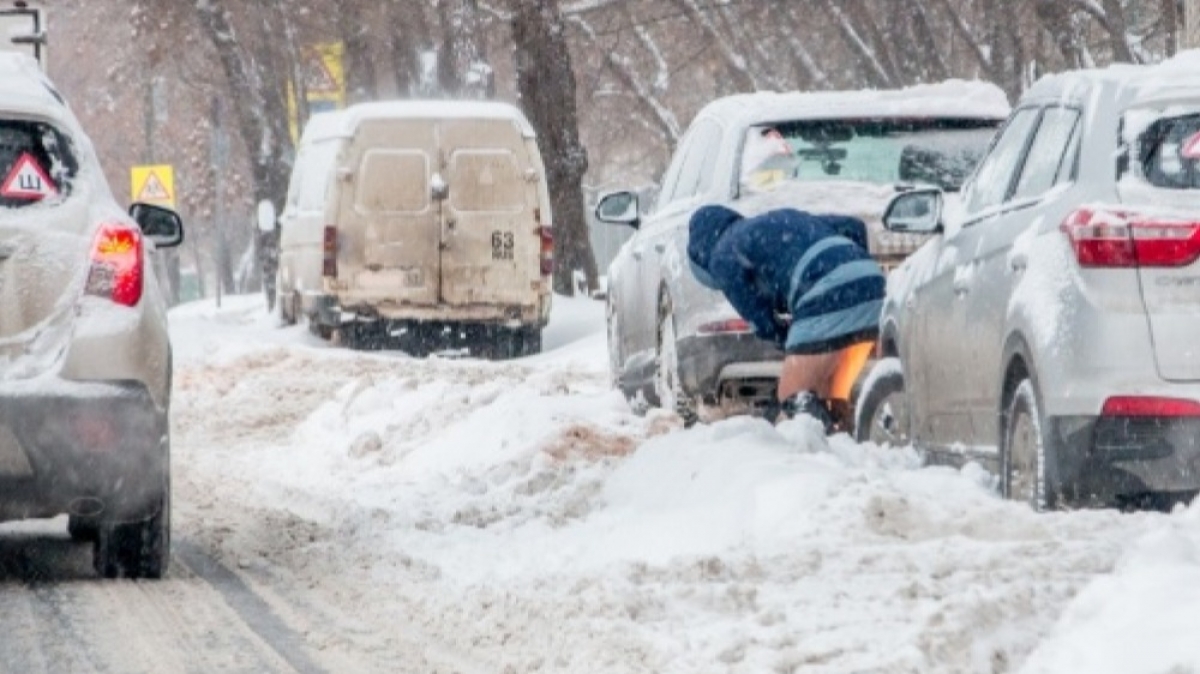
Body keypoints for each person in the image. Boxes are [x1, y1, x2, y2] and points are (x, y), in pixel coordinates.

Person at [687, 204, 885, 433]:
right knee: (832, 396)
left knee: (791, 398)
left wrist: (782, 335)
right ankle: (846, 438)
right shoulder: (772, 225)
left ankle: (820, 456)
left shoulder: (722, 253)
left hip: (826, 296)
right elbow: (854, 226)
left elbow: (759, 318)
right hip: (873, 288)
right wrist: (855, 271)